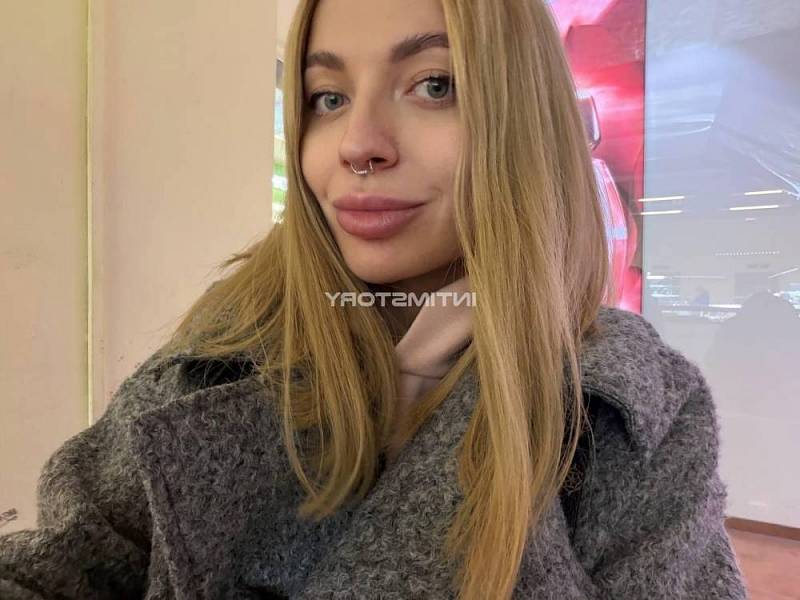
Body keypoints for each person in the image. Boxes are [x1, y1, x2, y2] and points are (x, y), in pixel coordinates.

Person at [0, 0, 748, 598]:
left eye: (434, 85)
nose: (358, 144)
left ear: (525, 119)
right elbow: (64, 563)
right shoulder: (218, 355)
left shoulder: (629, 412)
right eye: (327, 98)